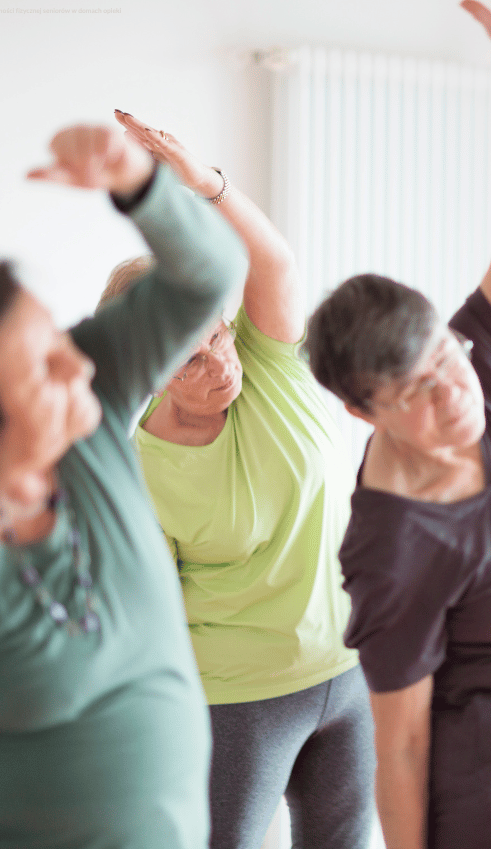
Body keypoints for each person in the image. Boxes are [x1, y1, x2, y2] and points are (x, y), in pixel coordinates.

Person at [0, 122, 247, 849]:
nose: (77, 366)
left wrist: (140, 185)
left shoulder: (90, 418)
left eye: (58, 338)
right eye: (41, 367)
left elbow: (209, 273)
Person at [109, 110, 375, 849]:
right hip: (239, 699)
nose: (222, 361)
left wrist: (205, 185)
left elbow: (275, 264)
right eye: (192, 357)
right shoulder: (139, 474)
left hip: (349, 668)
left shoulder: (269, 367)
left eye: (218, 333)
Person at [304, 10, 491, 849]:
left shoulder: (463, 352)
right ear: (363, 413)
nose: (453, 398)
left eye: (447, 364)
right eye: (416, 393)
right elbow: (402, 744)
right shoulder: (391, 547)